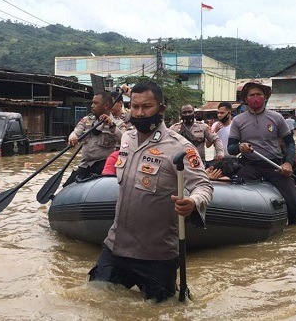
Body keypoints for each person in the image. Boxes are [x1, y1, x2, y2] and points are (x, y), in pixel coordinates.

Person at [88, 81, 213, 303]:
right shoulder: (126, 138)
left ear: (161, 109)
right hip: (116, 246)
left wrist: (193, 201)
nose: (139, 112)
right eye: (134, 106)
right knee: (96, 302)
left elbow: (204, 185)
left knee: (162, 311)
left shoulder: (180, 147)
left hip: (157, 255)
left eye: (146, 107)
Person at [227, 80, 296, 225]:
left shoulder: (277, 118)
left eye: (259, 94)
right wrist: (240, 147)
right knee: (238, 198)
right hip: (250, 166)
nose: (255, 97)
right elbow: (230, 148)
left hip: (274, 166)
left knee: (295, 203)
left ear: (265, 97)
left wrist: (288, 163)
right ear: (245, 98)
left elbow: (290, 143)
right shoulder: (238, 121)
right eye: (251, 94)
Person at [66, 92, 127, 184]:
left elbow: (125, 141)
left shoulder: (117, 123)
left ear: (106, 105)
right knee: (68, 186)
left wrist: (111, 126)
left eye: (95, 103)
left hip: (103, 165)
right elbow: (75, 132)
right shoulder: (87, 120)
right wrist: (72, 138)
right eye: (92, 103)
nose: (92, 106)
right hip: (85, 165)